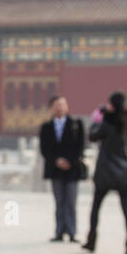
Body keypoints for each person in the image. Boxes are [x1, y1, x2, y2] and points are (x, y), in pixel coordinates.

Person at [83, 91, 127, 254]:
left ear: (112, 105)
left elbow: (92, 136)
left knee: (96, 207)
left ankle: (91, 241)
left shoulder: (107, 123)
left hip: (106, 172)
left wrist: (97, 119)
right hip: (125, 172)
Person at [39, 95, 86, 242]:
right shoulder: (46, 127)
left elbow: (80, 146)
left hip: (72, 169)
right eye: (57, 105)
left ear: (66, 107)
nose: (60, 107)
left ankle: (72, 232)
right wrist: (56, 161)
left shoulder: (76, 125)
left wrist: (69, 161)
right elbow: (44, 149)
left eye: (62, 104)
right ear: (52, 108)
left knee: (71, 201)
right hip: (55, 169)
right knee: (59, 201)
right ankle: (59, 231)